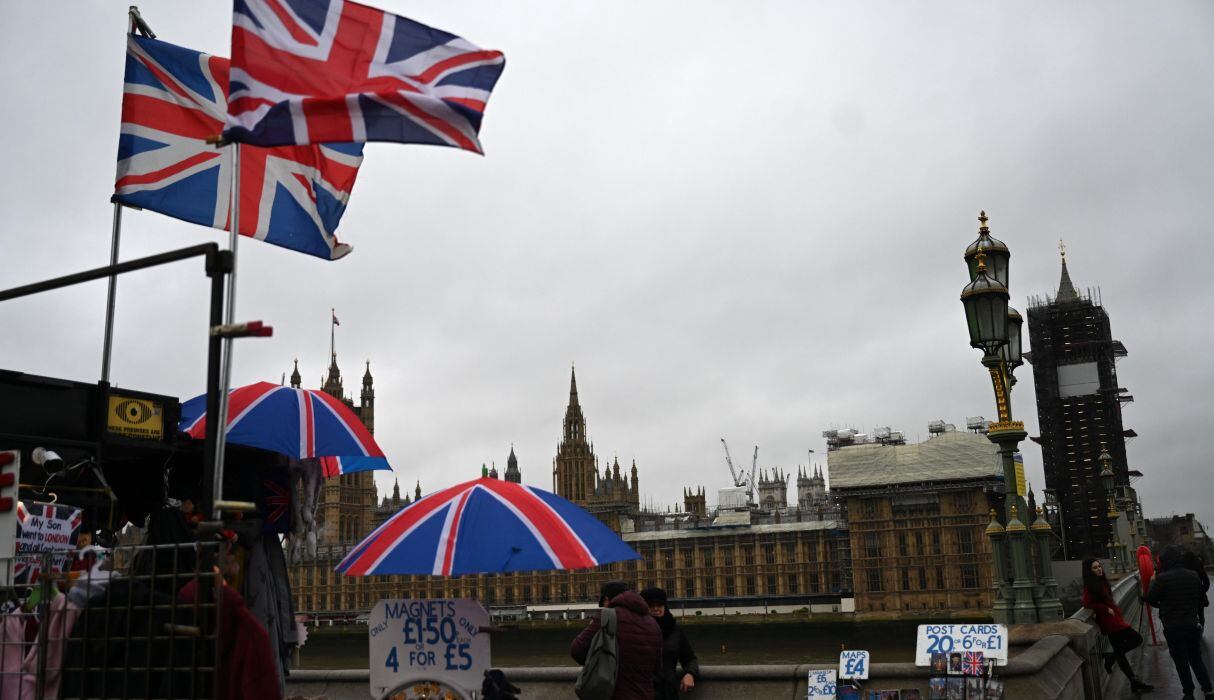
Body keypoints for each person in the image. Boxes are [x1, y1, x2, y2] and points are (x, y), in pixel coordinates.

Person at [572, 581, 662, 700]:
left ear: (607, 600)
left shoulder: (605, 616)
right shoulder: (653, 624)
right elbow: (657, 668)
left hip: (613, 694)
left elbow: (576, 650)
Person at [1146, 545, 1212, 699]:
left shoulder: (1162, 578)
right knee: (1196, 658)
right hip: (1191, 624)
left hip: (1173, 627)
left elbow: (1151, 599)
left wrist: (1151, 582)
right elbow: (1200, 598)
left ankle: (1188, 693)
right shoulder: (1193, 575)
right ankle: (1208, 690)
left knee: (1181, 661)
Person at [1081, 557, 1153, 693]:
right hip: (1111, 622)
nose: (1099, 569)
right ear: (1089, 571)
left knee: (1121, 655)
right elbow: (1087, 603)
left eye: (1099, 566)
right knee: (1137, 639)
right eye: (1095, 568)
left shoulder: (1101, 582)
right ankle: (1111, 657)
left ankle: (1133, 682)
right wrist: (1104, 608)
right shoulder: (1090, 586)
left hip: (1114, 619)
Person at [639, 587, 701, 698]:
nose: (656, 608)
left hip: (668, 692)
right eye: (651, 606)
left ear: (665, 606)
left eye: (659, 605)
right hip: (643, 692)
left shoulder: (674, 630)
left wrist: (690, 673)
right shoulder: (636, 629)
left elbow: (690, 659)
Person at [1181, 550, 1210, 628]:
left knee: (1187, 614)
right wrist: (1202, 591)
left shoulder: (1182, 566)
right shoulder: (1198, 564)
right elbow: (1206, 581)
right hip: (1198, 595)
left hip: (1185, 595)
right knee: (1200, 613)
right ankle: (1201, 629)